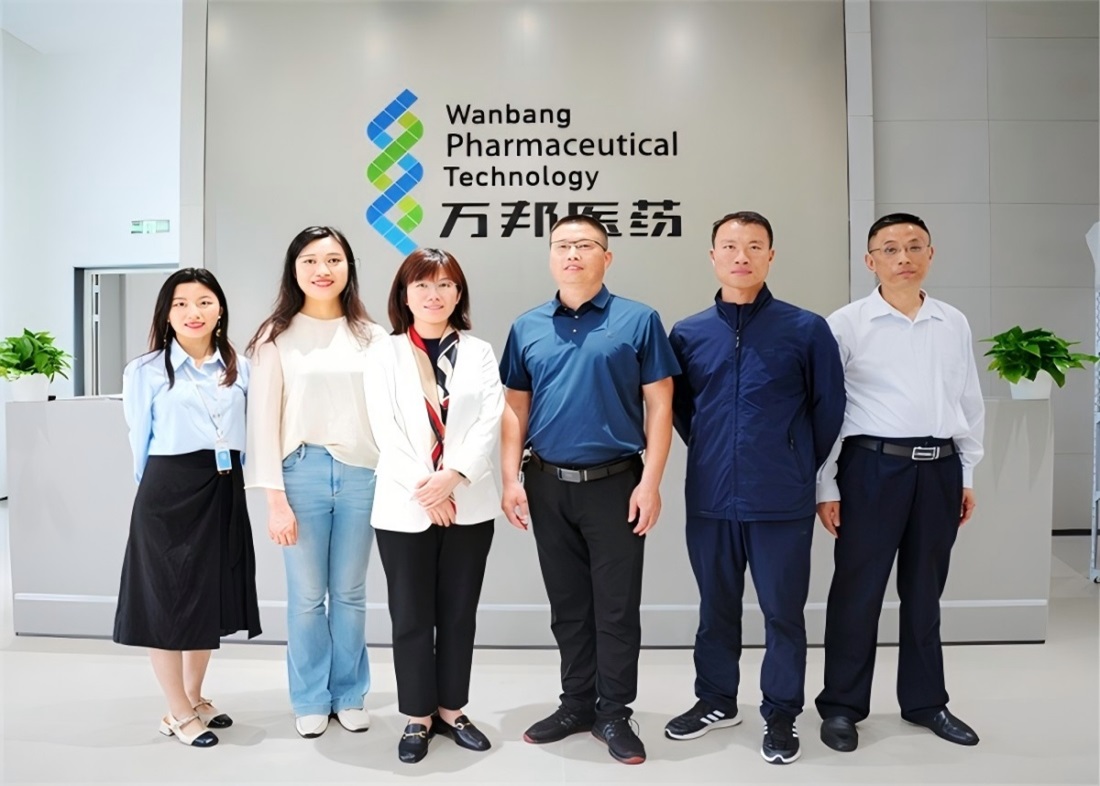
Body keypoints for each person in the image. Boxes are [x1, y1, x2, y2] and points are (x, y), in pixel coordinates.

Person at [664, 212, 846, 765]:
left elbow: (828, 409)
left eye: (753, 246)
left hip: (781, 499)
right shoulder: (688, 333)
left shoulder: (806, 329)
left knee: (783, 613)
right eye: (729, 246)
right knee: (715, 608)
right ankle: (716, 700)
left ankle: (782, 712)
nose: (741, 256)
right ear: (712, 256)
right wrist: (717, 453)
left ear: (771, 255)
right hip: (710, 498)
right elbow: (682, 411)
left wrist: (793, 462)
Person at [499, 214, 679, 765]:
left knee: (616, 608)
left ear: (607, 256)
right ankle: (576, 703)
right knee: (569, 605)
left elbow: (661, 405)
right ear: (551, 256)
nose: (572, 254)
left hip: (616, 484)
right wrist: (509, 479)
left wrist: (651, 482)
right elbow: (514, 409)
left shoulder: (638, 320)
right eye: (562, 246)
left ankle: (614, 712)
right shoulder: (527, 326)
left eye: (584, 245)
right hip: (547, 483)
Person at [815, 212, 985, 752]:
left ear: (931, 254)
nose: (903, 257)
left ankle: (926, 702)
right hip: (871, 469)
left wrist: (967, 471)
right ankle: (842, 707)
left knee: (925, 592)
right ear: (870, 261)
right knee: (857, 592)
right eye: (889, 249)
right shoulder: (846, 324)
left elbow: (968, 401)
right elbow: (828, 410)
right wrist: (827, 485)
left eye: (914, 246)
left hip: (940, 469)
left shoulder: (952, 322)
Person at [245, 226, 386, 738]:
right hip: (299, 472)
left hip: (361, 474)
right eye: (310, 260)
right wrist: (274, 500)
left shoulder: (372, 337)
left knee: (349, 593)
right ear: (294, 270)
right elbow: (261, 423)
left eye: (333, 260)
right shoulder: (274, 337)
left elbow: (388, 417)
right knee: (306, 596)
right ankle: (309, 697)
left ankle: (349, 693)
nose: (322, 270)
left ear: (348, 268)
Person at [364, 248, 504, 764]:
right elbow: (384, 429)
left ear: (458, 293)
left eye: (445, 284)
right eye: (422, 285)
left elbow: (489, 420)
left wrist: (453, 477)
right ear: (404, 295)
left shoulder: (479, 352)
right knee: (411, 616)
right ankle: (417, 716)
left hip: (467, 502)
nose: (433, 294)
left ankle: (451, 709)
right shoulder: (383, 352)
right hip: (405, 506)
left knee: (459, 613)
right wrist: (428, 490)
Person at [114, 267, 262, 748]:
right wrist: (157, 494)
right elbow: (139, 438)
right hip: (168, 491)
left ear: (220, 309)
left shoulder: (240, 368)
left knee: (206, 597)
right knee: (166, 602)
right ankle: (176, 711)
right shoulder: (146, 371)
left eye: (203, 302)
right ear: (166, 313)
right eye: (180, 303)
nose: (192, 312)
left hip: (224, 486)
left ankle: (195, 697)